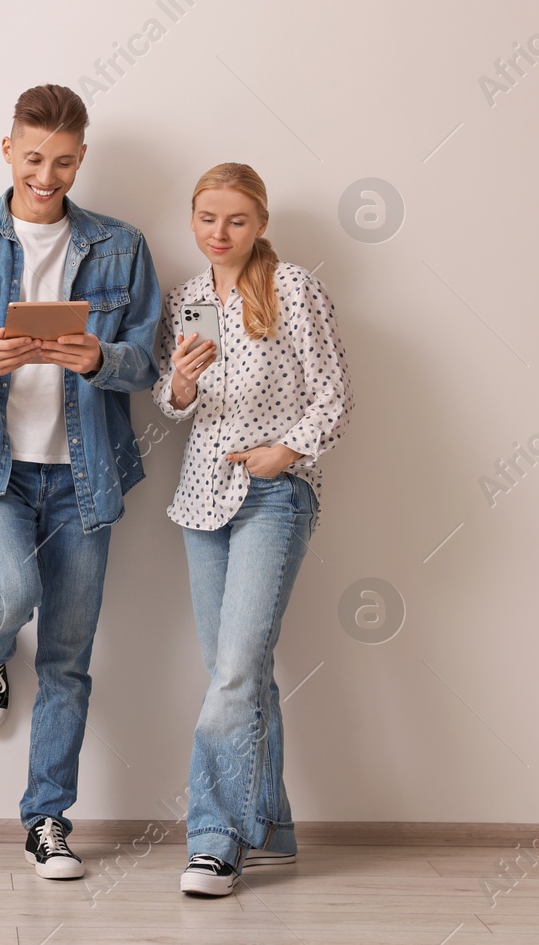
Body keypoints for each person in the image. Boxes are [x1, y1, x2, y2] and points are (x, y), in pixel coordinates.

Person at [0, 84, 160, 880]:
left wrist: (102, 359)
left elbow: (148, 359)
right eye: (32, 159)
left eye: (62, 161)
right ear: (6, 150)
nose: (46, 175)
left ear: (81, 157)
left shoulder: (121, 246)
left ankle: (47, 820)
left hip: (86, 474)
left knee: (67, 656)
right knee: (12, 594)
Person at [155, 163, 352, 897]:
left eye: (236, 219)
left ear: (260, 222)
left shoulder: (293, 287)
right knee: (239, 670)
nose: (220, 232)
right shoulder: (190, 298)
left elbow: (336, 394)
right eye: (207, 217)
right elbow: (177, 406)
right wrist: (178, 381)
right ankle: (270, 825)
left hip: (273, 494)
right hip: (202, 495)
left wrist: (286, 452)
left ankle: (213, 839)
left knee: (236, 668)